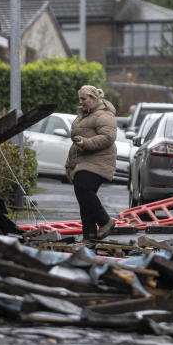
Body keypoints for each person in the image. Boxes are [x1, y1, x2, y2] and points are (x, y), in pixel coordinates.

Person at [64, 85, 117, 241]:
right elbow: (76, 144)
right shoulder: (82, 116)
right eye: (80, 99)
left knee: (83, 187)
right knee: (83, 197)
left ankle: (105, 221)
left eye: (84, 99)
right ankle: (89, 237)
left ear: (94, 99)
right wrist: (69, 164)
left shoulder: (104, 115)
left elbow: (108, 137)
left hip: (100, 160)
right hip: (84, 160)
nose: (81, 102)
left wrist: (86, 142)